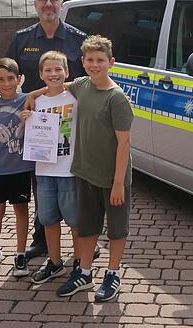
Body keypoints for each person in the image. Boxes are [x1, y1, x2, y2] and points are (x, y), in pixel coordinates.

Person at [5, 0, 86, 259]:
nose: (48, 5)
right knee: (41, 184)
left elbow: (90, 79)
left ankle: (83, 239)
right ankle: (41, 240)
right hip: (37, 129)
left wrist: (38, 91)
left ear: (61, 4)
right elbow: (5, 76)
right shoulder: (21, 39)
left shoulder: (78, 38)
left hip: (71, 125)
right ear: (35, 4)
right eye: (43, 0)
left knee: (73, 184)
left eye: (53, 0)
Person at [55, 36, 134, 302]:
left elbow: (124, 143)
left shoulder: (117, 98)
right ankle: (85, 273)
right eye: (90, 60)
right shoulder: (81, 85)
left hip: (112, 178)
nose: (94, 64)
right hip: (85, 173)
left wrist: (118, 183)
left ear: (111, 62)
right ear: (82, 62)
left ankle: (113, 273)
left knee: (116, 229)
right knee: (87, 227)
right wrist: (30, 97)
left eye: (100, 60)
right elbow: (57, 87)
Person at [19, 51, 81, 285]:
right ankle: (55, 263)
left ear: (66, 72)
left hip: (69, 171)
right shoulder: (36, 103)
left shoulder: (74, 97)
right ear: (40, 74)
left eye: (58, 69)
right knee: (48, 220)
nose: (53, 74)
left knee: (75, 221)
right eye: (48, 70)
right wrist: (25, 120)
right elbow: (29, 137)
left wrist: (37, 90)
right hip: (44, 171)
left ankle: (79, 263)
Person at [0, 58, 34, 279]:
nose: (6, 83)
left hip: (21, 168)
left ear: (19, 79)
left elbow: (52, 88)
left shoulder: (27, 100)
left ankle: (20, 253)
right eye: (0, 79)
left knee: (21, 210)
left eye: (11, 79)